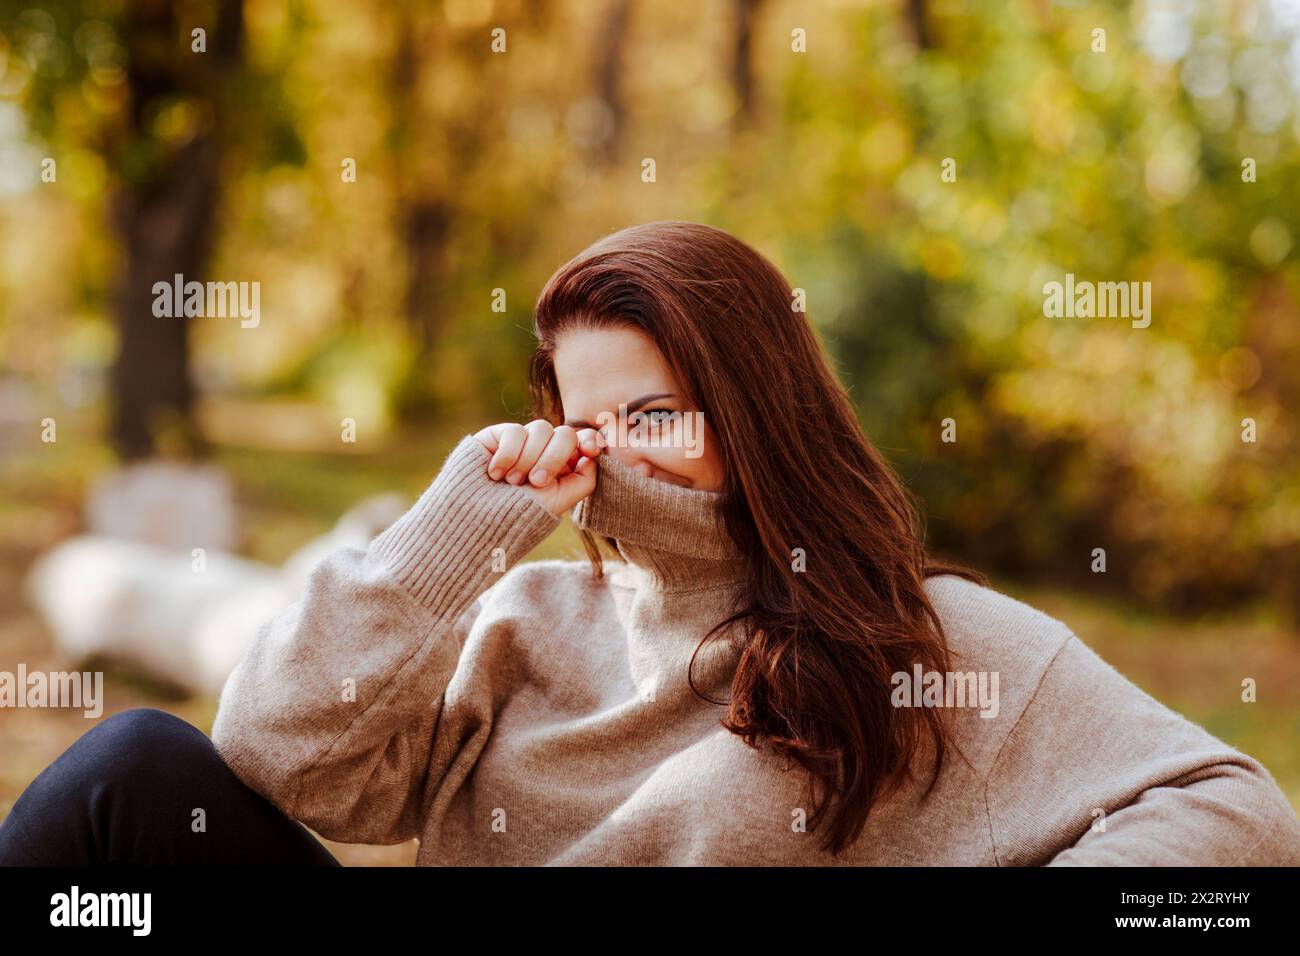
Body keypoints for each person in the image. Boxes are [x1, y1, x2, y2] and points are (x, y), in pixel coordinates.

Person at [3, 220, 1299, 866]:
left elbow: (1240, 813)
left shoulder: (922, 644)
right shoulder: (520, 632)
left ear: (756, 412)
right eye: (583, 421)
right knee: (130, 770)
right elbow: (271, 757)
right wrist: (460, 530)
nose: (614, 452)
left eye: (658, 414)